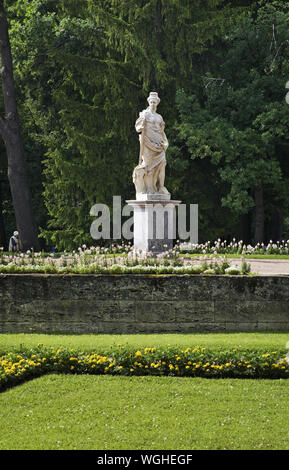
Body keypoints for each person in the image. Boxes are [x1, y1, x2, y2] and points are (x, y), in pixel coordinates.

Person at [133, 91, 170, 196]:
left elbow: (162, 132)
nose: (153, 104)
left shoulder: (159, 117)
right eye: (151, 102)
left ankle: (161, 187)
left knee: (162, 165)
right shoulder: (144, 114)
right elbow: (137, 127)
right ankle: (149, 189)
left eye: (155, 102)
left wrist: (166, 142)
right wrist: (140, 127)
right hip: (148, 144)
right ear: (149, 102)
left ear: (157, 103)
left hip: (159, 144)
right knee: (149, 167)